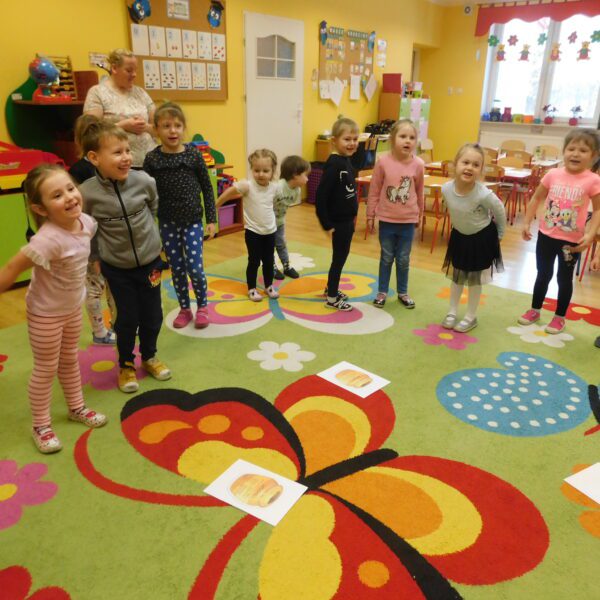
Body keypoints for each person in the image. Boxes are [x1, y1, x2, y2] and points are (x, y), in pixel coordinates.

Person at [0, 165, 107, 453]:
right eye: (57, 195)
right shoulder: (47, 240)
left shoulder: (85, 222)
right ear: (41, 208)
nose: (70, 197)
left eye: (70, 188)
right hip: (45, 313)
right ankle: (40, 425)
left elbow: (84, 251)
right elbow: (12, 268)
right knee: (46, 368)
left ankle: (76, 407)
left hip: (72, 306)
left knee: (69, 359)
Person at [79, 120, 171, 393]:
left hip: (150, 262)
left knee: (153, 315)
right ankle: (126, 365)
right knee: (127, 319)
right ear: (94, 157)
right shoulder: (87, 193)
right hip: (117, 268)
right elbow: (88, 229)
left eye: (128, 150)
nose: (126, 157)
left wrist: (153, 240)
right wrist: (95, 257)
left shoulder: (144, 181)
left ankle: (150, 356)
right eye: (117, 152)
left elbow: (153, 206)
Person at [519, 129, 600, 334]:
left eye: (583, 150)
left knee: (564, 279)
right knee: (543, 274)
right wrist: (526, 222)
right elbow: (536, 198)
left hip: (571, 243)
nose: (575, 154)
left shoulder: (593, 180)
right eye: (571, 148)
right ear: (564, 151)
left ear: (594, 155)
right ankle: (535, 310)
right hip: (545, 237)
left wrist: (590, 234)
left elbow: (599, 209)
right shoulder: (553, 174)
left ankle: (559, 318)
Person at [143, 102, 216, 329]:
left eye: (177, 125)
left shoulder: (193, 155)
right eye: (166, 126)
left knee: (195, 268)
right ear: (156, 130)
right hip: (167, 223)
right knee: (177, 268)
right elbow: (146, 193)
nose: (172, 130)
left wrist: (211, 219)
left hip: (193, 222)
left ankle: (202, 306)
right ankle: (185, 308)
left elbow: (207, 188)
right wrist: (148, 224)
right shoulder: (152, 159)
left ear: (183, 128)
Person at [441, 143, 506, 332]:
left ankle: (471, 316)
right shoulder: (446, 189)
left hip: (481, 239)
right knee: (457, 277)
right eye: (466, 162)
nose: (470, 167)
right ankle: (452, 311)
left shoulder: (484, 194)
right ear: (455, 164)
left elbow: (500, 210)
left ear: (481, 170)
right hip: (460, 238)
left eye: (476, 165)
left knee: (474, 279)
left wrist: (500, 234)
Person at [367, 119, 424, 308]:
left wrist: (420, 214)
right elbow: (374, 190)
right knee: (386, 257)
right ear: (392, 139)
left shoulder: (418, 164)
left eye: (412, 137)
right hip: (386, 220)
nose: (407, 141)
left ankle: (403, 292)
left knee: (403, 259)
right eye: (403, 136)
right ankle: (382, 291)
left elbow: (420, 191)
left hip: (408, 221)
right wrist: (370, 215)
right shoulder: (382, 162)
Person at [70, 113, 117, 345]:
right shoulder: (81, 171)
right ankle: (100, 332)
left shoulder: (104, 168)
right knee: (96, 287)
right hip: (93, 242)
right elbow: (80, 214)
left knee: (109, 286)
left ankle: (115, 325)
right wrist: (93, 254)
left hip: (107, 240)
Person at [216, 149, 279, 302]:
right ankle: (251, 289)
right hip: (253, 232)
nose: (261, 174)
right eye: (256, 170)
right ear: (251, 169)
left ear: (272, 171)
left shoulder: (274, 187)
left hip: (270, 231)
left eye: (265, 171)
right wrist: (216, 206)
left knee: (269, 261)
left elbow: (275, 204)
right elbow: (229, 192)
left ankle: (269, 286)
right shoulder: (247, 186)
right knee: (254, 261)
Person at [84, 48, 156, 168]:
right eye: (129, 70)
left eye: (135, 70)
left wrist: (145, 127)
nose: (134, 74)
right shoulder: (97, 92)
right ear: (114, 68)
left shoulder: (141, 93)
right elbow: (90, 132)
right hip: (117, 166)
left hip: (150, 162)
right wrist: (122, 126)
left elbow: (158, 128)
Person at [316, 117, 360, 312]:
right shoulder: (334, 165)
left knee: (341, 257)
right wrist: (327, 224)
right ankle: (332, 298)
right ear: (334, 141)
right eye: (347, 139)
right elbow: (321, 196)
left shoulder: (345, 161)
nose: (352, 143)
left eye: (355, 139)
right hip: (339, 223)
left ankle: (330, 288)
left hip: (347, 220)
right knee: (339, 259)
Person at [273, 155, 311, 280]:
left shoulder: (297, 191)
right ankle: (271, 267)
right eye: (305, 175)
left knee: (282, 244)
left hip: (280, 222)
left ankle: (286, 266)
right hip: (267, 224)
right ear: (295, 175)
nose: (307, 179)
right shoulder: (278, 187)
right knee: (268, 247)